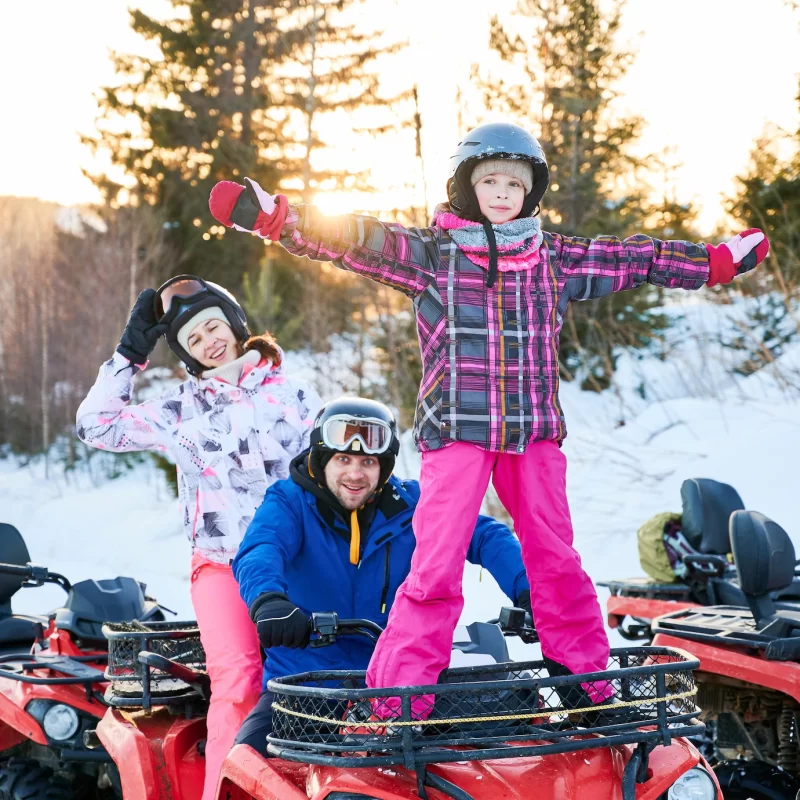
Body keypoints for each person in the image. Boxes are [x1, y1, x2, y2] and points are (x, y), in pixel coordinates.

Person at [208, 121, 770, 719]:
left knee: (556, 558)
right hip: (457, 431)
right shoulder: (434, 255)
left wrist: (710, 263)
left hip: (533, 433)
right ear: (465, 187)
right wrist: (277, 218)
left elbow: (633, 258)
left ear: (531, 193)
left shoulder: (552, 258)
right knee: (436, 560)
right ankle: (401, 697)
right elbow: (357, 239)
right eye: (490, 181)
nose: (503, 193)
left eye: (515, 184)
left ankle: (589, 684)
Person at [76, 275, 321, 800]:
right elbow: (95, 426)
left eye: (213, 326)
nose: (209, 340)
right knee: (236, 681)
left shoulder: (294, 394)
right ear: (187, 355)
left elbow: (334, 473)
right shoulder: (179, 408)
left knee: (312, 681)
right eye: (193, 339)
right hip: (221, 563)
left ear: (233, 324)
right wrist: (129, 354)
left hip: (295, 561)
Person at [231, 396, 532, 753]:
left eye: (368, 462)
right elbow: (261, 548)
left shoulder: (412, 505)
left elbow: (484, 535)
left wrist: (529, 590)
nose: (355, 474)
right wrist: (269, 601)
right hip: (307, 687)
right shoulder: (289, 502)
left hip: (404, 686)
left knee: (495, 747)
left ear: (384, 466)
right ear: (321, 460)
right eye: (343, 459)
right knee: (248, 758)